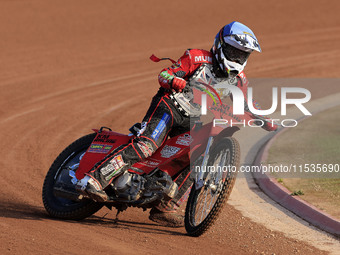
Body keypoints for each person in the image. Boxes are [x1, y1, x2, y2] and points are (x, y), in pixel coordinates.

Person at [76, 21, 278, 227]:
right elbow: (164, 74)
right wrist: (174, 80)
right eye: (233, 51)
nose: (237, 58)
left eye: (242, 55)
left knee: (194, 156)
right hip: (169, 107)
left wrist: (269, 121)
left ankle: (164, 207)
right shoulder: (196, 57)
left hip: (191, 120)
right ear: (220, 46)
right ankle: (94, 179)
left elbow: (248, 104)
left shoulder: (239, 80)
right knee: (147, 144)